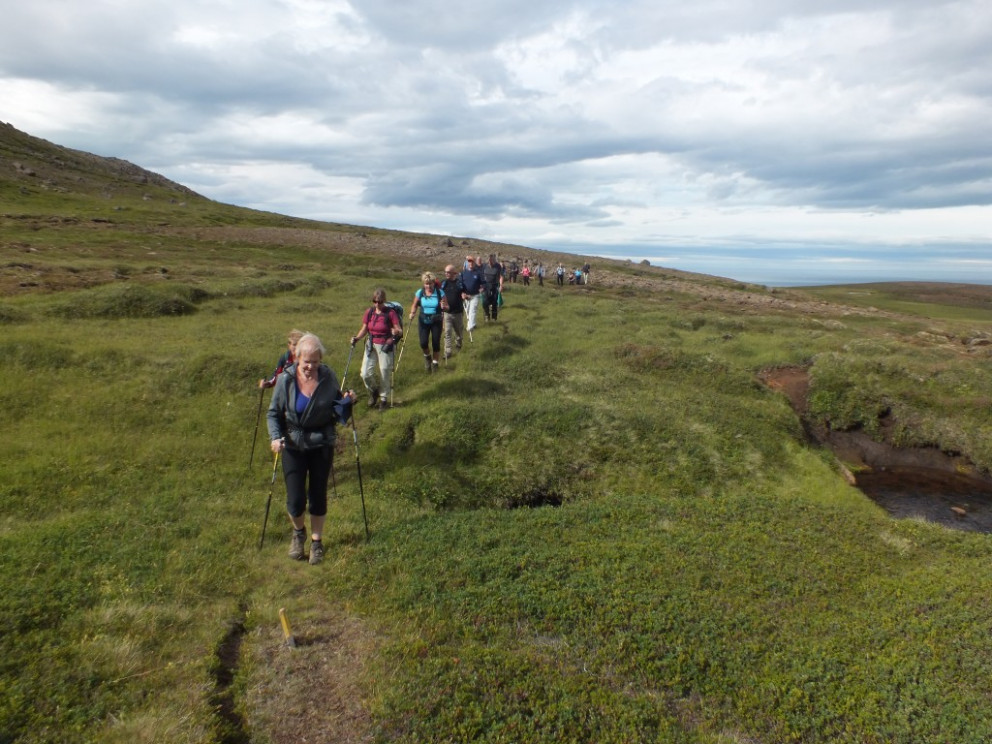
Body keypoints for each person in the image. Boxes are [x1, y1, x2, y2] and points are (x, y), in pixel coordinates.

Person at [267, 333, 356, 565]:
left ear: (320, 360)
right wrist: (275, 437)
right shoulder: (286, 379)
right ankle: (299, 533)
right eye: (306, 361)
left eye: (315, 362)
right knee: (296, 499)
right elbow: (273, 413)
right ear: (297, 358)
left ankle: (317, 542)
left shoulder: (328, 376)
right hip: (292, 443)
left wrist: (348, 401)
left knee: (318, 495)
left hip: (321, 443)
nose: (310, 366)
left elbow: (337, 408)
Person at [351, 288, 403, 411]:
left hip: (385, 345)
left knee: (384, 370)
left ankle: (383, 399)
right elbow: (364, 328)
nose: (377, 304)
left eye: (380, 302)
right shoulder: (369, 312)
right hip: (371, 344)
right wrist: (357, 338)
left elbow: (399, 330)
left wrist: (395, 331)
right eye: (375, 301)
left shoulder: (391, 313)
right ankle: (373, 391)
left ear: (384, 300)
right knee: (365, 373)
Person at [410, 271, 444, 373]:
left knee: (436, 343)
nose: (428, 286)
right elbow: (414, 304)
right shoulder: (420, 292)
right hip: (423, 320)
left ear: (434, 283)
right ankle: (428, 357)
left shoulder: (440, 293)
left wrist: (444, 306)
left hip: (436, 320)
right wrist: (412, 312)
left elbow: (447, 306)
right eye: (426, 284)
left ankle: (435, 364)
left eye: (430, 283)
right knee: (423, 343)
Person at [440, 264, 465, 360]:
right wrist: (441, 303)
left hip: (458, 313)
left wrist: (464, 295)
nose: (446, 274)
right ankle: (448, 352)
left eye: (448, 272)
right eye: (445, 272)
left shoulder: (459, 283)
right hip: (447, 313)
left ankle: (458, 344)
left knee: (459, 333)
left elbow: (464, 292)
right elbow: (439, 295)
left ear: (454, 273)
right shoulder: (443, 283)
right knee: (447, 333)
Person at [460, 256, 484, 335]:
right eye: (469, 261)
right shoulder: (463, 273)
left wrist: (482, 288)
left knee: (473, 310)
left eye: (472, 262)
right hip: (466, 296)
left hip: (475, 295)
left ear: (474, 263)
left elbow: (484, 283)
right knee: (467, 311)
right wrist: (462, 293)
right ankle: (473, 324)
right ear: (467, 263)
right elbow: (460, 284)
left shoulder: (478, 273)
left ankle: (469, 328)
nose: (470, 263)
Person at [482, 253, 504, 322]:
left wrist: (501, 285)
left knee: (494, 302)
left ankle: (494, 318)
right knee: (485, 302)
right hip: (486, 286)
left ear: (494, 260)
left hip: (495, 285)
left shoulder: (498, 266)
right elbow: (481, 276)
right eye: (489, 261)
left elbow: (501, 276)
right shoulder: (484, 266)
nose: (491, 262)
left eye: (492, 261)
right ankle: (487, 315)